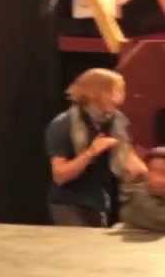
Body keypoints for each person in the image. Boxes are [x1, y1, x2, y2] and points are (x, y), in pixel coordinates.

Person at [44, 68, 146, 227]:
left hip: (99, 202)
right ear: (97, 93)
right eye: (115, 91)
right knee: (80, 249)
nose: (120, 98)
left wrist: (146, 172)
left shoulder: (116, 121)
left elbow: (131, 161)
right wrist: (91, 152)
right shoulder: (63, 124)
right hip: (69, 203)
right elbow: (60, 176)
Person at [115, 146, 165, 232]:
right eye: (154, 171)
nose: (159, 179)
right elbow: (158, 219)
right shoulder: (138, 196)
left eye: (163, 173)